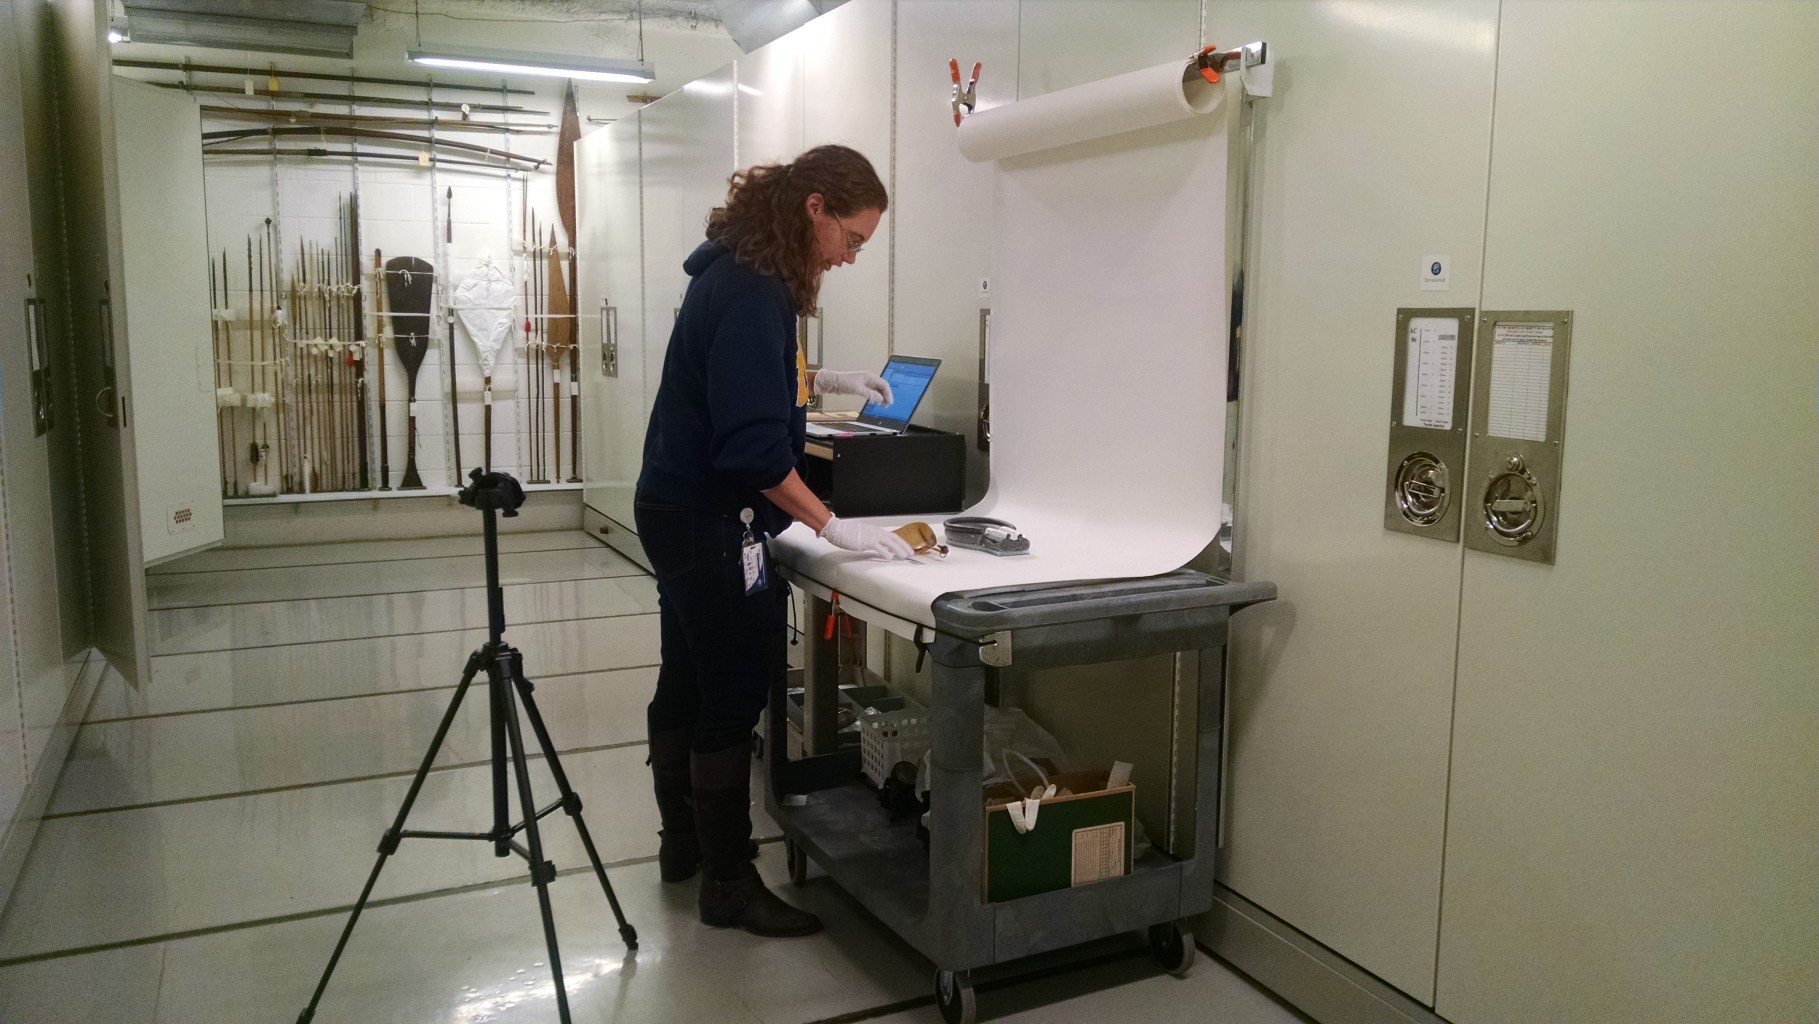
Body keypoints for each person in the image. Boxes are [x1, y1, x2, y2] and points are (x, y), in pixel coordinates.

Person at [634, 144, 914, 938]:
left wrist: (821, 380)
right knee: (728, 695)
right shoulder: (757, 289)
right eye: (852, 240)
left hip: (672, 506)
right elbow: (753, 453)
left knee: (685, 678)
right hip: (711, 521)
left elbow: (734, 376)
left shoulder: (734, 268)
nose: (852, 258)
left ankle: (681, 847)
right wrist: (832, 525)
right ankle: (727, 884)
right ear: (814, 209)